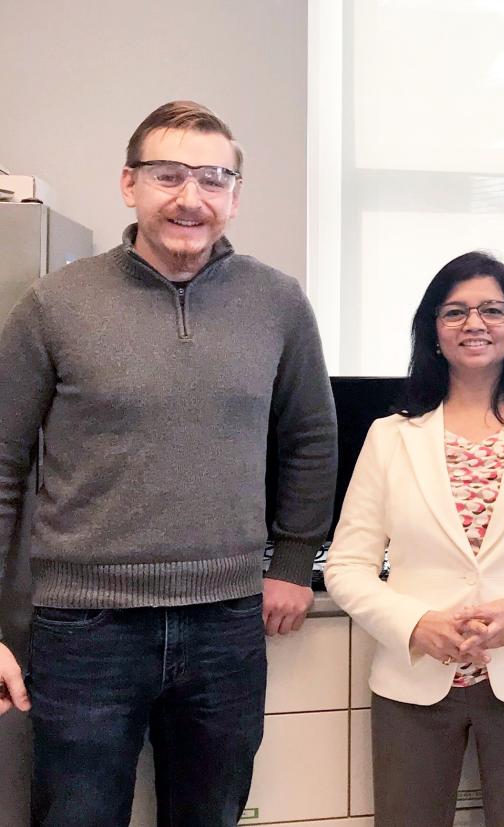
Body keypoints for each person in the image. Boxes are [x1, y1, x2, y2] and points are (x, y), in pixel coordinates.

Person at [0, 100, 338, 825]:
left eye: (213, 179)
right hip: (84, 627)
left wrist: (292, 559)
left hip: (226, 620)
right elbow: (0, 460)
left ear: (235, 197)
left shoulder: (277, 302)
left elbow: (310, 436)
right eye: (168, 175)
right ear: (129, 185)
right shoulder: (55, 303)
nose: (191, 197)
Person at [325, 250, 504, 827]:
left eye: (491, 309)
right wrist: (414, 624)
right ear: (433, 332)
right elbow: (346, 566)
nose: (474, 324)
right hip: (413, 681)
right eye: (454, 312)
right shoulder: (390, 437)